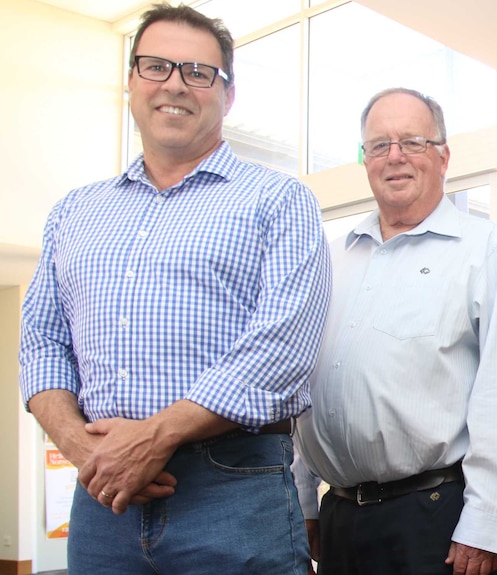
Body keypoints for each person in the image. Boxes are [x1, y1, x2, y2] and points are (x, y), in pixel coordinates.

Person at [18, 4, 331, 574]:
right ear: (132, 81)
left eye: (198, 73)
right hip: (101, 497)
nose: (176, 86)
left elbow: (282, 350)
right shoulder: (75, 212)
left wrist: (153, 436)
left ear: (227, 95)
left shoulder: (279, 201)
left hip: (232, 491)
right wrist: (82, 447)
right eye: (157, 66)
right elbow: (40, 343)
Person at [293, 87, 497, 575]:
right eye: (379, 145)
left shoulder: (485, 249)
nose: (395, 157)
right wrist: (304, 502)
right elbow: (302, 386)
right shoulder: (330, 258)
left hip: (437, 521)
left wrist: (485, 521)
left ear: (443, 156)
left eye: (412, 142)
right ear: (365, 160)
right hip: (339, 517)